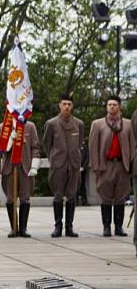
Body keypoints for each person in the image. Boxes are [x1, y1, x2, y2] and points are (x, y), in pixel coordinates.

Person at [89, 95, 134, 237]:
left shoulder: (128, 124)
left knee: (121, 197)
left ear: (119, 106)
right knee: (106, 197)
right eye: (109, 104)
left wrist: (131, 164)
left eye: (114, 104)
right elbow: (92, 146)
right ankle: (106, 226)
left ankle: (119, 227)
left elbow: (133, 145)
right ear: (106, 107)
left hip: (122, 164)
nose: (112, 107)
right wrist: (96, 166)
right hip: (106, 165)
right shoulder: (98, 124)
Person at [44, 94, 84, 237]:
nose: (66, 106)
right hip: (58, 164)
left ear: (72, 106)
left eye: (69, 104)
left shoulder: (78, 124)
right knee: (58, 195)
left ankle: (69, 227)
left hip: (73, 163)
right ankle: (58, 226)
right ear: (59, 105)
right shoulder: (51, 124)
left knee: (72, 195)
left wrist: (75, 157)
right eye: (64, 104)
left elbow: (79, 144)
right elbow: (47, 144)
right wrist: (54, 158)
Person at [0, 114, 40, 238]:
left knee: (25, 197)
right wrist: (10, 140)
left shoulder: (30, 127)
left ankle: (23, 228)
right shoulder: (2, 128)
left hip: (25, 168)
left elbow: (35, 147)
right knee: (10, 198)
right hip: (10, 168)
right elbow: (0, 150)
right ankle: (13, 228)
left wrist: (34, 165)